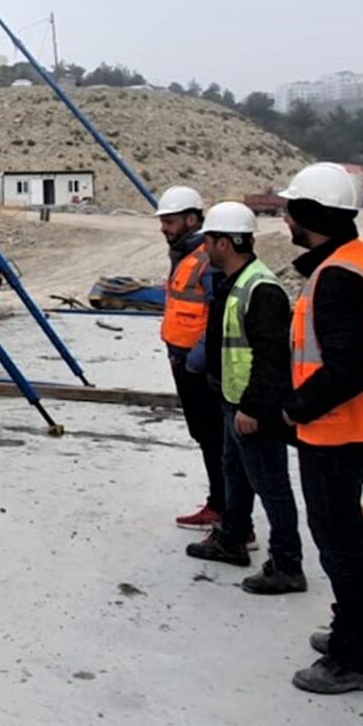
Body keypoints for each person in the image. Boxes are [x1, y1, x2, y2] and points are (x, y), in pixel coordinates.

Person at [277, 161, 363, 694]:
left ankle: (354, 657)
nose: (286, 218)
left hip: (339, 430)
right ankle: (357, 633)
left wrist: (294, 409)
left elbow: (348, 369)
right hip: (357, 426)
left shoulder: (337, 277)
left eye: (292, 209)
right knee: (343, 540)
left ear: (309, 215)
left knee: (339, 544)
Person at [183, 202, 305, 591]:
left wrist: (253, 407)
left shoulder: (261, 288)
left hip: (253, 408)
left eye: (209, 242)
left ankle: (287, 564)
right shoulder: (232, 284)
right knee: (235, 472)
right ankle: (232, 538)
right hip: (232, 401)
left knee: (271, 484)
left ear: (225, 243)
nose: (204, 249)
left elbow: (272, 359)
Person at [157, 187, 227, 531]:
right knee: (206, 435)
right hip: (183, 361)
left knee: (214, 436)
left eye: (169, 221)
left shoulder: (205, 258)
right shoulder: (184, 256)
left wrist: (194, 361)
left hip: (198, 367)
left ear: (191, 219)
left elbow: (217, 318)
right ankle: (221, 504)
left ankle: (225, 509)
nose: (164, 228)